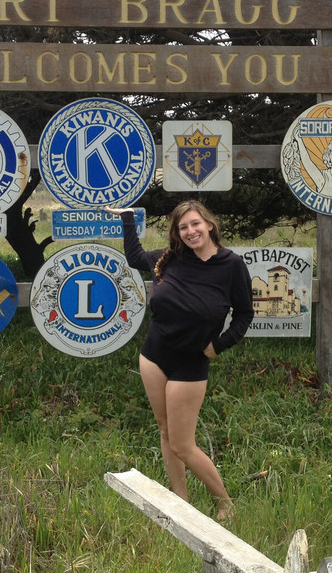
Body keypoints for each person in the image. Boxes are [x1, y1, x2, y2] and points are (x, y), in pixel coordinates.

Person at [107, 201, 254, 520]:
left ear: (209, 225)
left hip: (191, 363)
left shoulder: (231, 265)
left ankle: (225, 503)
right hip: (154, 356)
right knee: (165, 432)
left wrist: (219, 345)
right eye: (183, 227)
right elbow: (134, 258)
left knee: (183, 444)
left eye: (195, 224)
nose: (190, 231)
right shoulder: (170, 258)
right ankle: (180, 501)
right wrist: (128, 219)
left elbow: (245, 314)